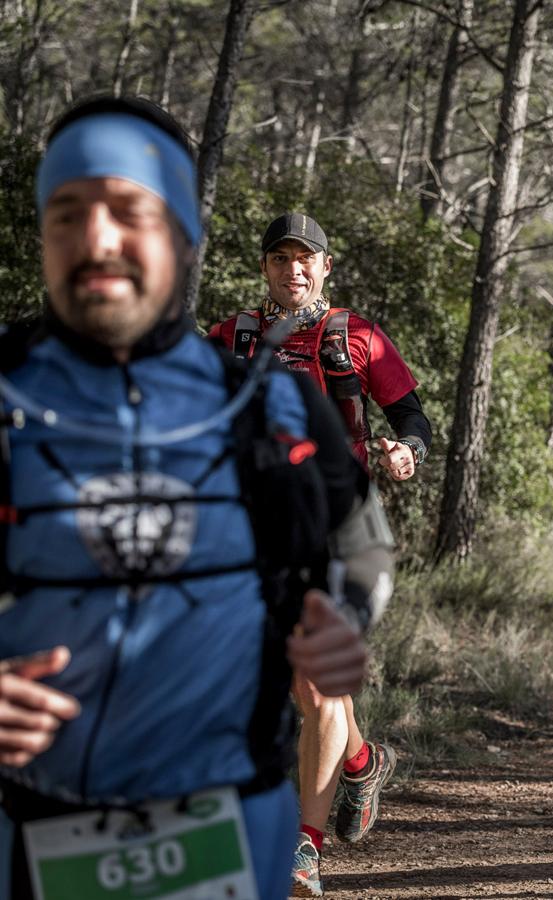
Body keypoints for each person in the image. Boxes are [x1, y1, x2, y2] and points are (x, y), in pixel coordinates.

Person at [0, 96, 394, 899]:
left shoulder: (266, 404)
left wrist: (346, 620)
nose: (98, 239)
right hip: (28, 823)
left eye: (129, 211)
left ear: (181, 233)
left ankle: (317, 827)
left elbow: (363, 539)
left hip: (225, 826)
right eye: (68, 213)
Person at [207, 212, 431, 896]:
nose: (292, 270)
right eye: (280, 259)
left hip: (339, 531)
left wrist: (405, 452)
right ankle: (361, 762)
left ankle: (303, 847)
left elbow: (412, 415)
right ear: (266, 267)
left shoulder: (355, 335)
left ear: (325, 267)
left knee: (315, 684)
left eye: (305, 259)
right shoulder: (232, 337)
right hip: (253, 532)